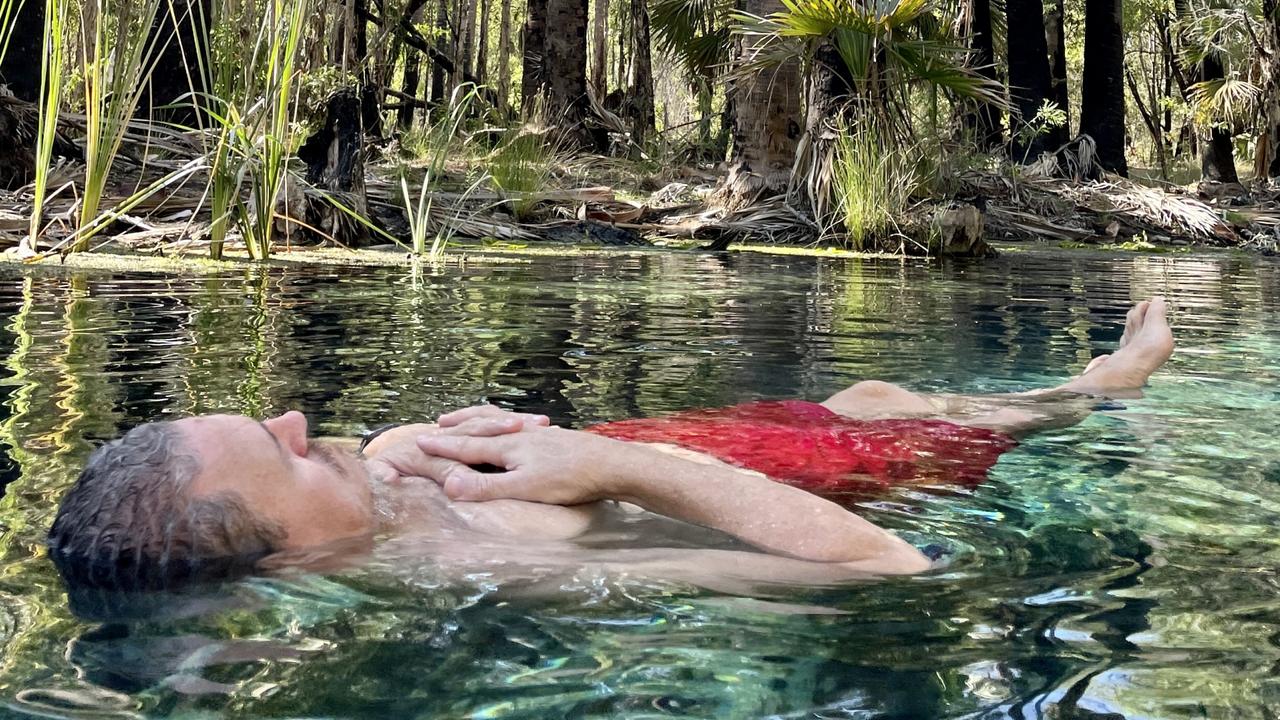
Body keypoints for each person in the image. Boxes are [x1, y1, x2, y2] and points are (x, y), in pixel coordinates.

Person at [47, 298, 1174, 594]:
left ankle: (1069, 384)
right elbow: (886, 567)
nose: (301, 422)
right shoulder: (491, 570)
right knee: (926, 416)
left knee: (869, 384)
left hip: (691, 442)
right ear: (285, 553)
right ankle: (1099, 385)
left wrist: (435, 437)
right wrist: (615, 466)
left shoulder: (369, 492)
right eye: (283, 454)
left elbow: (409, 466)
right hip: (751, 480)